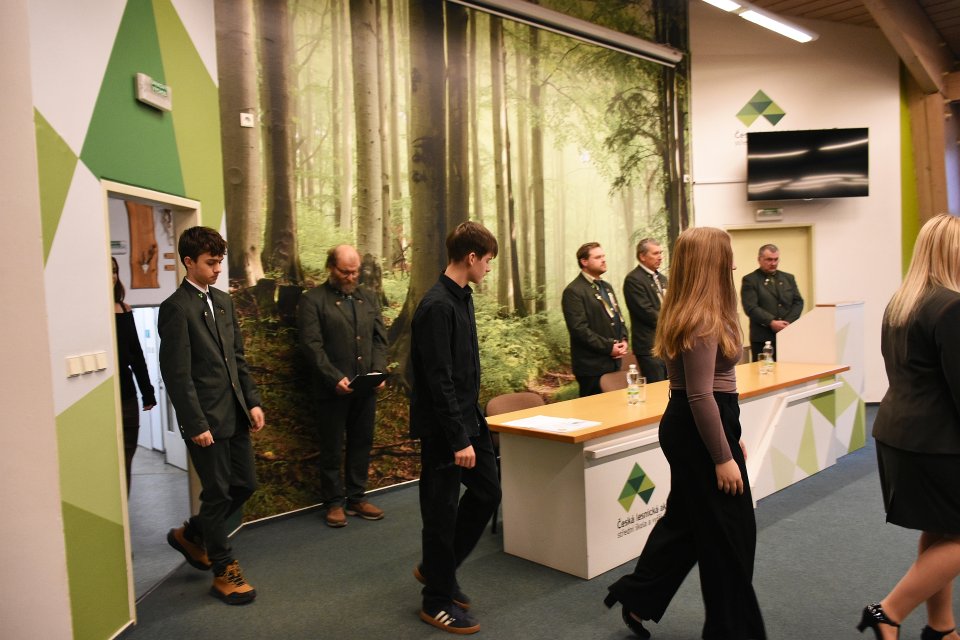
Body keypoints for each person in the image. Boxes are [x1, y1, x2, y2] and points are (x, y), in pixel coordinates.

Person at [604, 227, 766, 640]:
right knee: (732, 536)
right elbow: (699, 396)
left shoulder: (702, 311)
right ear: (712, 263)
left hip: (702, 424)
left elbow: (709, 394)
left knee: (686, 524)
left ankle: (639, 596)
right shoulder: (701, 320)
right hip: (697, 428)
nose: (734, 263)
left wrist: (729, 436)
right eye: (727, 255)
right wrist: (722, 456)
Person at [857, 214, 960, 640]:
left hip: (899, 436)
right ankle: (889, 612)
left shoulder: (901, 304)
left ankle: (941, 627)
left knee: (941, 529)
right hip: (938, 443)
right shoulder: (952, 307)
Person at [158, 226, 265, 605]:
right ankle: (223, 570)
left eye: (220, 261)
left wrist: (252, 401)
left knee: (245, 485)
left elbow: (237, 358)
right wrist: (195, 423)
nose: (218, 269)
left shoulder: (223, 301)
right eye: (210, 262)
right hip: (205, 421)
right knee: (218, 493)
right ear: (189, 262)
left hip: (235, 414)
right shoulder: (176, 308)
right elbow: (177, 374)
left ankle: (193, 534)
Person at [410, 221, 502, 635]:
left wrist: (470, 427)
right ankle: (436, 600)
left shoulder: (461, 298)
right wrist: (457, 438)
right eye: (487, 261)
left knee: (488, 492)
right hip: (445, 429)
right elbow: (438, 380)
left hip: (469, 419)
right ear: (471, 257)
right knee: (441, 513)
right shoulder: (437, 306)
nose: (488, 268)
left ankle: (438, 569)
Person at [298, 244, 388, 528]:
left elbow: (379, 338)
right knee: (332, 447)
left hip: (365, 387)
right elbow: (311, 345)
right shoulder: (313, 300)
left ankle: (357, 497)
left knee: (362, 442)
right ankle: (334, 502)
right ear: (331, 268)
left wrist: (379, 371)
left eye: (355, 271)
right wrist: (333, 377)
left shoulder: (368, 297)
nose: (351, 277)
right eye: (345, 272)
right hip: (332, 390)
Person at [112, 257, 156, 494]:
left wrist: (147, 393)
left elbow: (136, 356)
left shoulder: (125, 309)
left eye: (115, 271)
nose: (112, 276)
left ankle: (124, 511)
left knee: (126, 459)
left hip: (127, 396)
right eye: (107, 271)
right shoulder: (90, 313)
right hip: (104, 397)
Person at [562, 242, 629, 396]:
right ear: (584, 261)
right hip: (591, 367)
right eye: (598, 257)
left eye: (603, 256)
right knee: (595, 410)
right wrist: (609, 347)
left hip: (614, 362)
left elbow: (618, 317)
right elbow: (579, 330)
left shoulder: (606, 287)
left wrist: (624, 339)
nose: (603, 260)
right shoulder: (573, 291)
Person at [740, 243, 803, 361]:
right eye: (769, 259)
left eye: (776, 259)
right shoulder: (750, 280)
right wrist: (771, 322)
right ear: (759, 259)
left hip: (788, 334)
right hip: (763, 338)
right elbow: (751, 307)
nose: (773, 263)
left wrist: (787, 322)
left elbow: (798, 302)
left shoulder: (788, 278)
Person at [623, 238, 669, 383]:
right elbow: (646, 312)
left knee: (672, 387)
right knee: (657, 388)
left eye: (660, 253)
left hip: (668, 344)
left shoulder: (662, 279)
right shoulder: (634, 280)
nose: (660, 257)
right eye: (655, 253)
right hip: (649, 346)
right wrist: (673, 323)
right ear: (642, 256)